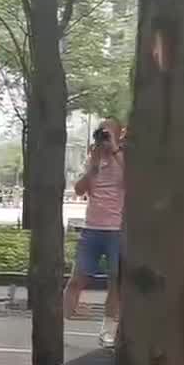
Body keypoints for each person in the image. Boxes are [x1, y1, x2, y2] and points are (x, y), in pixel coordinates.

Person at [62, 118, 125, 348]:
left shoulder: (123, 158)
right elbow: (79, 190)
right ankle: (61, 325)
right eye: (101, 131)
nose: (104, 135)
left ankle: (108, 330)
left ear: (119, 133)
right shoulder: (93, 159)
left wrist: (115, 150)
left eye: (108, 131)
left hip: (116, 230)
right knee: (78, 277)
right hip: (92, 229)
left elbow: (133, 182)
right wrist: (93, 167)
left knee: (115, 280)